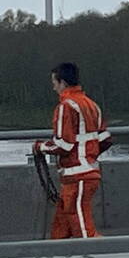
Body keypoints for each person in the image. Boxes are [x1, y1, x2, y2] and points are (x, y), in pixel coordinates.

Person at [33, 62, 112, 239]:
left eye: (54, 82)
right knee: (62, 224)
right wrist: (89, 156)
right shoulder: (92, 105)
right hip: (88, 172)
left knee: (82, 226)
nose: (53, 87)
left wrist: (40, 147)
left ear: (62, 83)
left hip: (76, 176)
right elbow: (105, 140)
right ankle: (57, 254)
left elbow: (64, 145)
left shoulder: (66, 107)